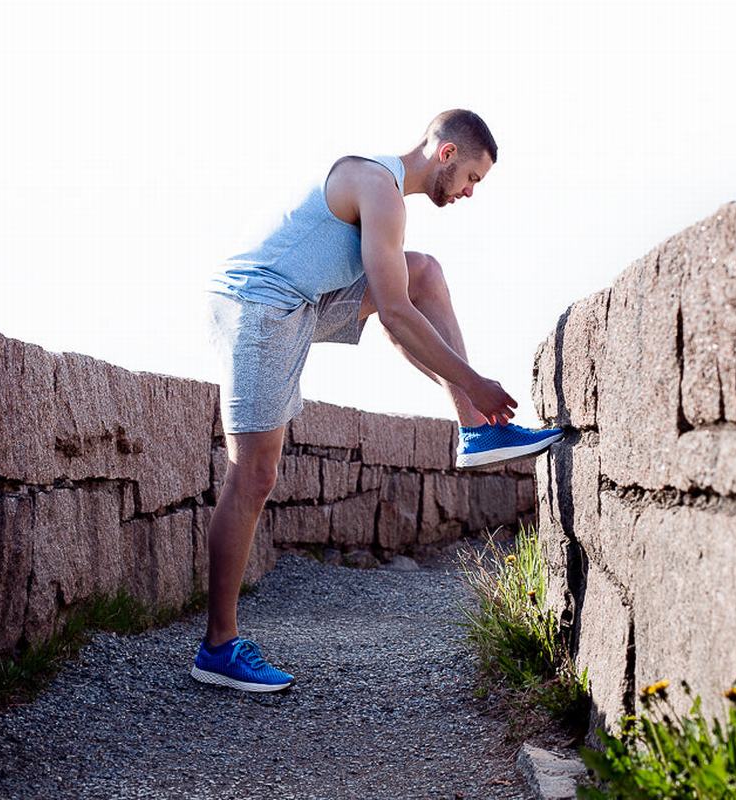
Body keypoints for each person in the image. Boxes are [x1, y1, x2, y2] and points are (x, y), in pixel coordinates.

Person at [192, 109, 563, 692]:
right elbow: (393, 314)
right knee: (254, 476)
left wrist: (468, 392)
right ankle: (217, 647)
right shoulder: (379, 189)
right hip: (260, 306)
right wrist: (476, 380)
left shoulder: (390, 199)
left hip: (304, 301)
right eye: (472, 178)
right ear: (445, 154)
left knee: (424, 274)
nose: (470, 192)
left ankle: (474, 432)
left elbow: (399, 309)